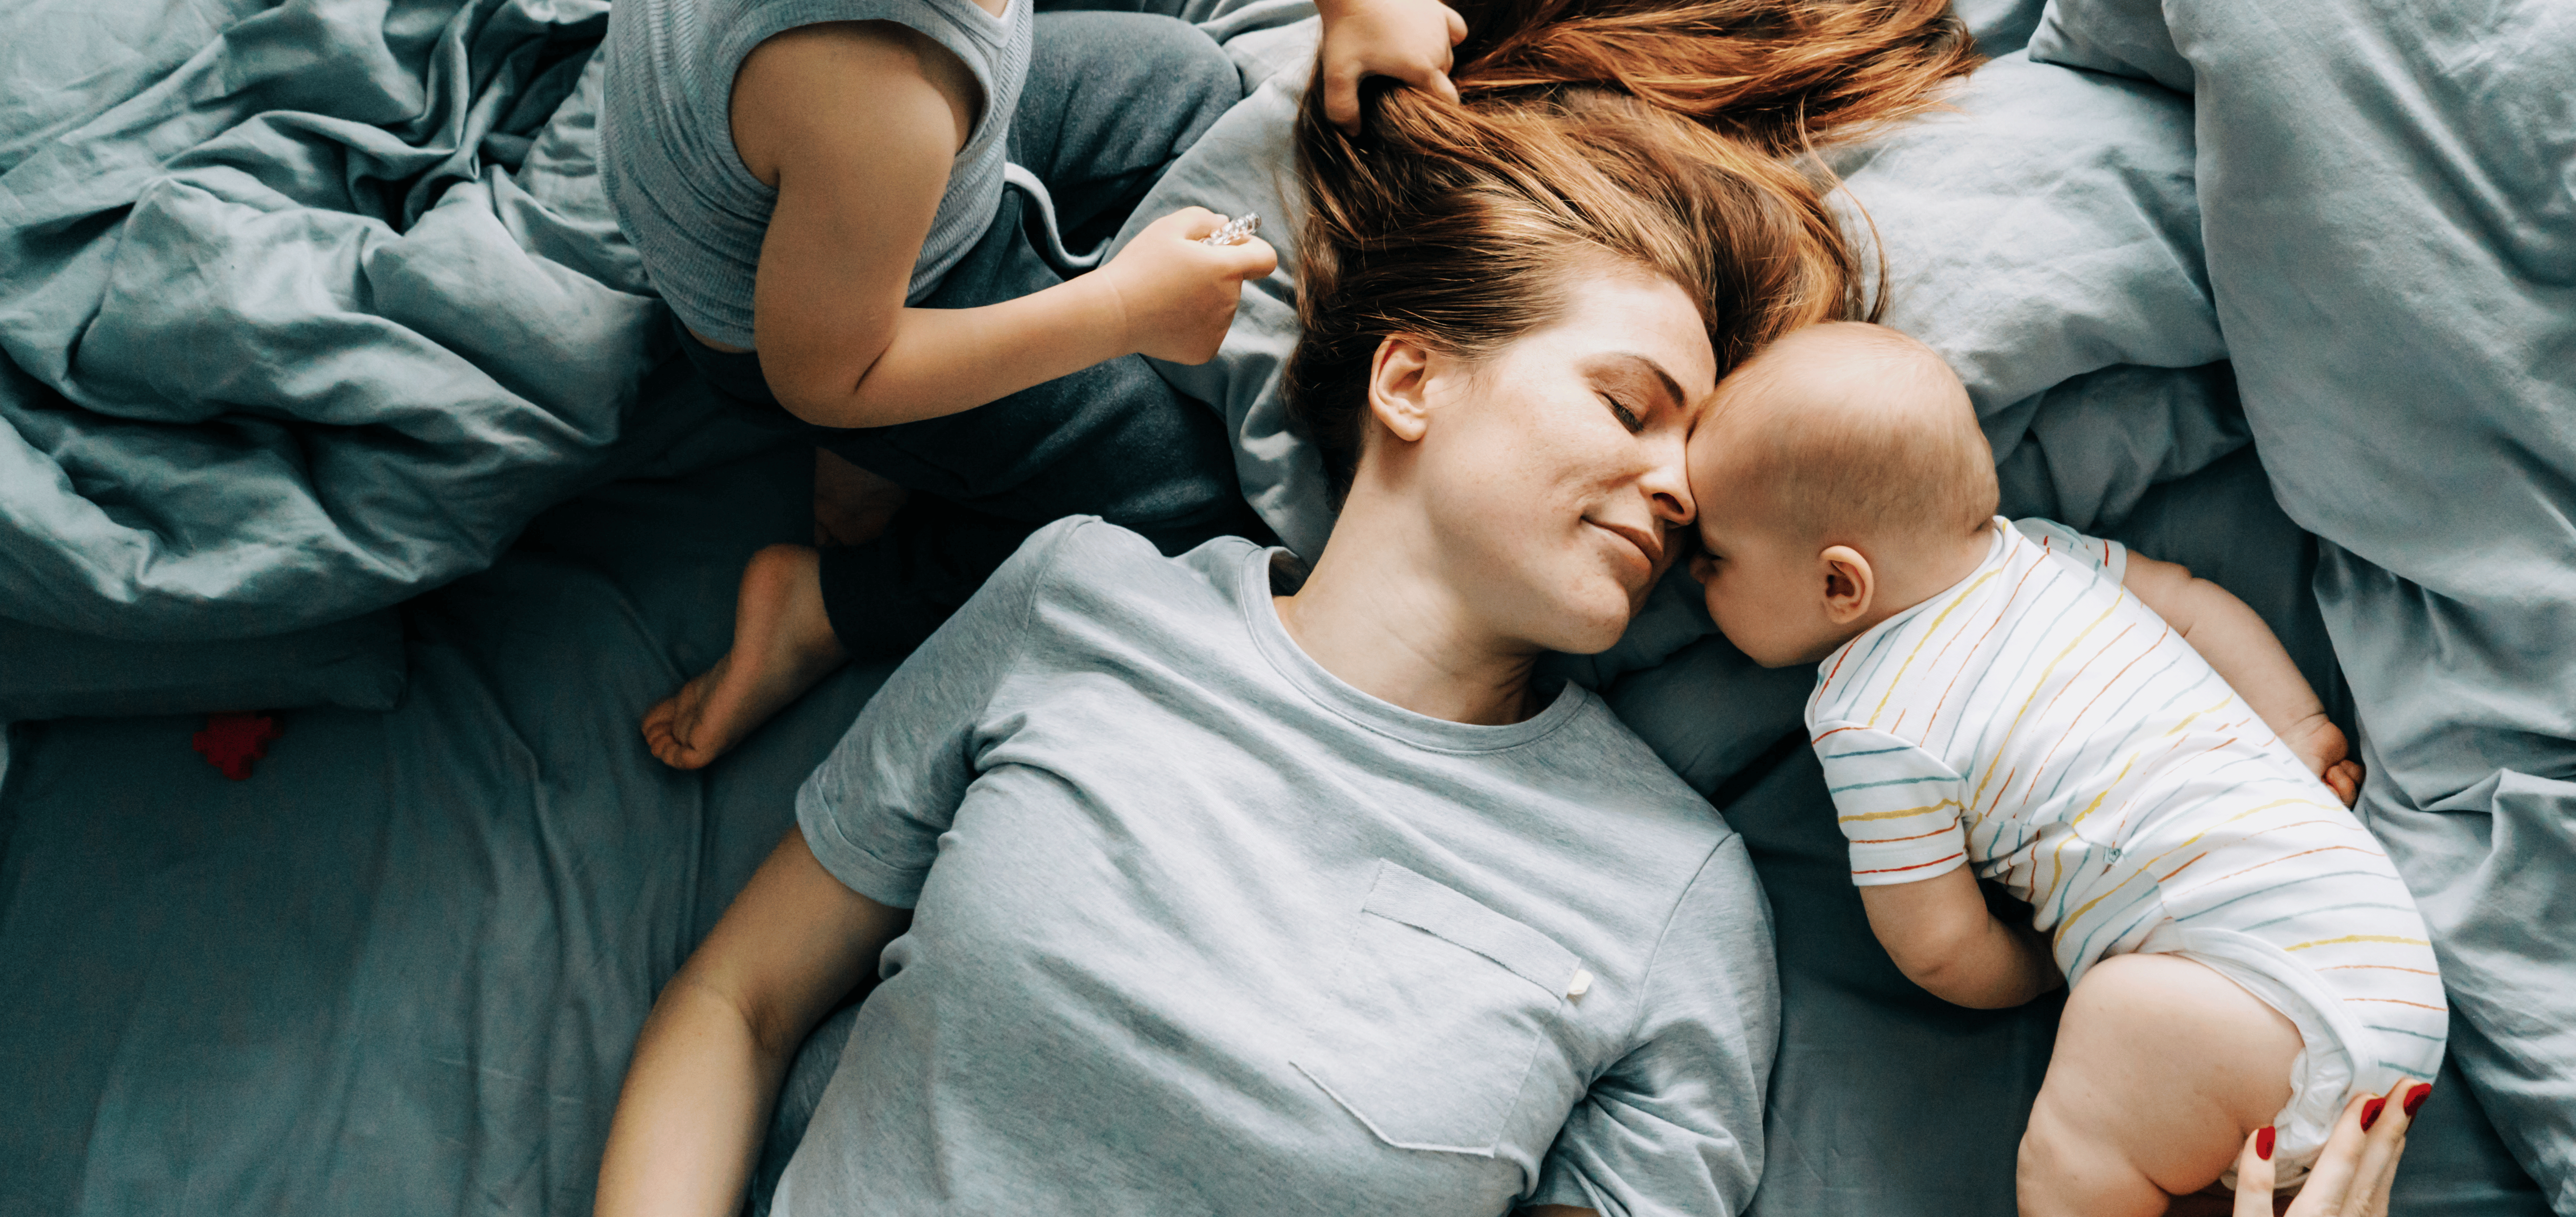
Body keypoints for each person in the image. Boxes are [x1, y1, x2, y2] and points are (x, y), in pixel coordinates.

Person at [589, 5, 1981, 1215]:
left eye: (1699, 456)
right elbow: (739, 1003)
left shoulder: (1669, 898)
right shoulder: (1076, 606)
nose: (1680, 485)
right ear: (1412, 382)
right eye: (1629, 407)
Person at [1681, 322, 2446, 1214]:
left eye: (1713, 560)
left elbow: (1936, 946)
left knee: (2071, 1141)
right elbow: (2195, 608)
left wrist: (2038, 966)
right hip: (2374, 950)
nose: (1694, 583)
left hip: (2254, 1007)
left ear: (1841, 585)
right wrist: (2298, 724)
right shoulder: (2043, 555)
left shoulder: (1870, 715)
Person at [603, 0, 1472, 771]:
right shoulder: (876, 91)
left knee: (1191, 83)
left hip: (904, 181)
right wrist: (1123, 308)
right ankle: (830, 602)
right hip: (847, 337)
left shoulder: (893, 88)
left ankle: (877, 454)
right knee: (1193, 499)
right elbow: (828, 376)